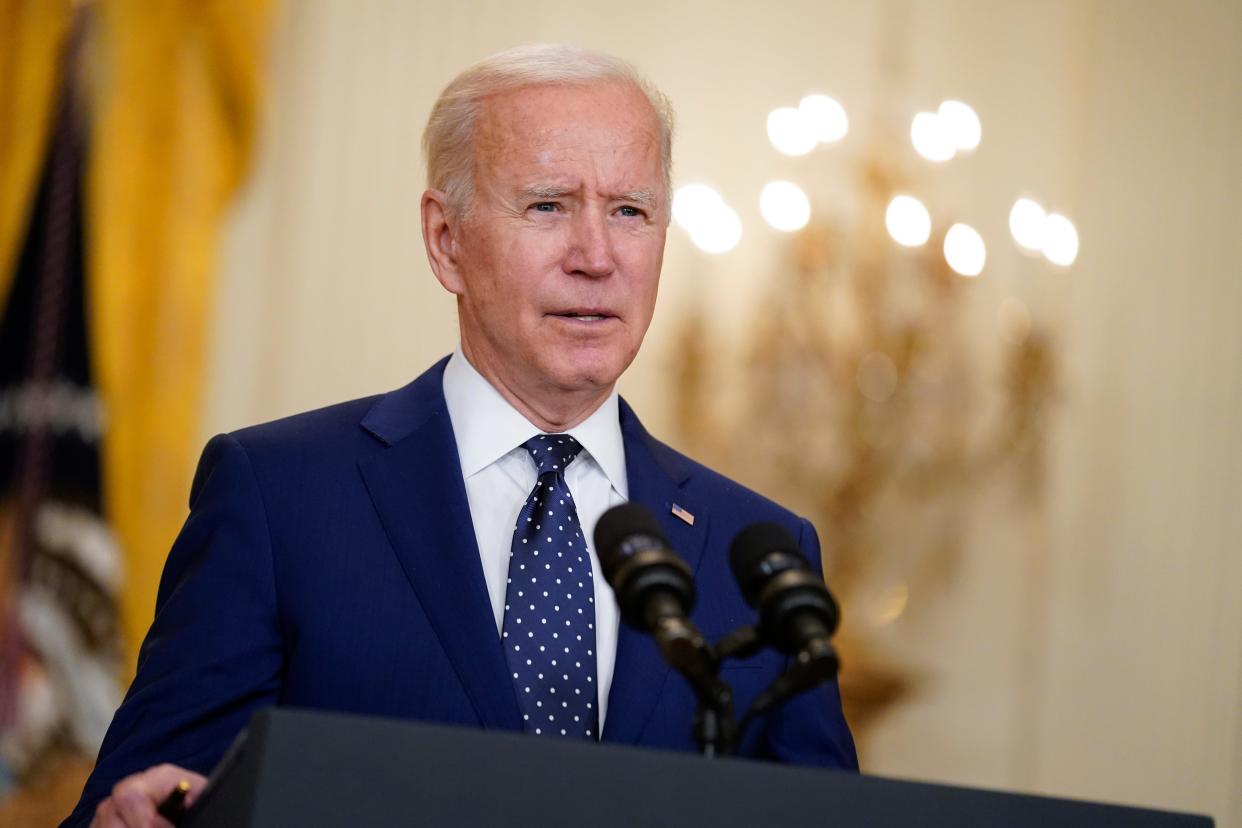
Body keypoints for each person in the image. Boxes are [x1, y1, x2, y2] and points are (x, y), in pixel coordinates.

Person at [68, 43, 857, 827]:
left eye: (631, 210)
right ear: (447, 240)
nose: (597, 256)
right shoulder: (280, 497)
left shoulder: (757, 551)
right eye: (548, 205)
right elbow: (137, 802)